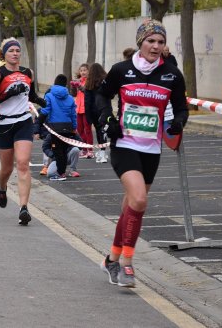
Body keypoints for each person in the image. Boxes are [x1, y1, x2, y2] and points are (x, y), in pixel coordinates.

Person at [96, 19, 188, 288]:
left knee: (131, 206)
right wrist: (108, 119)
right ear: (141, 42)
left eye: (160, 42)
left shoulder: (171, 74)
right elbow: (101, 96)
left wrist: (178, 122)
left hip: (151, 148)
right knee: (139, 200)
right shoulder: (121, 70)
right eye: (151, 41)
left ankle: (111, 259)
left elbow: (181, 107)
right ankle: (126, 264)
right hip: (124, 144)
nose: (156, 46)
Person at [0, 38, 46, 225]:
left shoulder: (28, 72)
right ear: (5, 54)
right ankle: (2, 187)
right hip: (4, 124)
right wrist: (9, 93)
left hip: (23, 122)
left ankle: (23, 208)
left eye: (17, 51)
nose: (15, 53)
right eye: (11, 50)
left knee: (22, 164)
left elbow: (31, 95)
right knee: (7, 168)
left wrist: (43, 102)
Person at [37, 74, 77, 182]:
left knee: (57, 151)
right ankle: (62, 172)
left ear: (55, 82)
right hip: (68, 127)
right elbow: (73, 114)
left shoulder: (49, 95)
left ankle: (60, 173)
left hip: (55, 127)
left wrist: (38, 123)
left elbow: (45, 110)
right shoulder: (70, 98)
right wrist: (74, 127)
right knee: (63, 150)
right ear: (65, 84)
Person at [84, 63, 108, 163]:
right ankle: (103, 152)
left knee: (99, 131)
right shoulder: (105, 82)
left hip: (94, 111)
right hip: (105, 109)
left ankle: (102, 153)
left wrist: (88, 116)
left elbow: (87, 101)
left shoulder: (89, 84)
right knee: (104, 131)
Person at [71, 64, 93, 159]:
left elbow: (87, 92)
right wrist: (73, 86)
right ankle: (83, 150)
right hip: (78, 108)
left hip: (87, 109)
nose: (83, 72)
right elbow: (74, 94)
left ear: (88, 71)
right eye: (81, 70)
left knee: (87, 130)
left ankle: (90, 150)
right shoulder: (78, 81)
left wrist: (79, 85)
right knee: (79, 130)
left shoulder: (90, 82)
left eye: (85, 70)